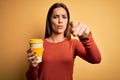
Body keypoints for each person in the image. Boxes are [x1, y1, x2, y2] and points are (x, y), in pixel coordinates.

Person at [26, 3, 101, 80]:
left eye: (64, 17)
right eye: (55, 17)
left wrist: (86, 37)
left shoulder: (73, 44)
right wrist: (33, 66)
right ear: (49, 21)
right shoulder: (39, 44)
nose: (60, 21)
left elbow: (96, 59)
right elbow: (30, 78)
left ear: (67, 21)